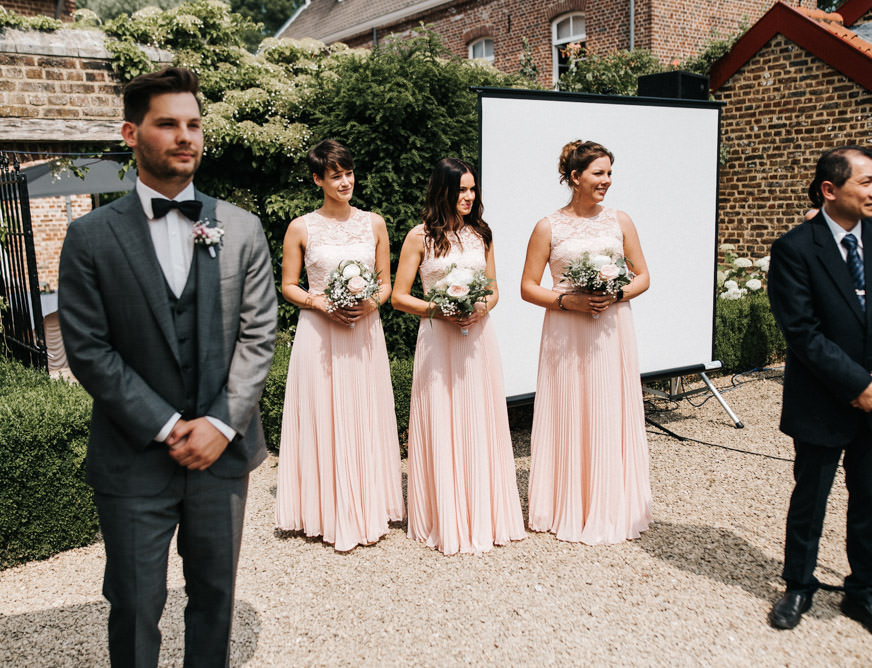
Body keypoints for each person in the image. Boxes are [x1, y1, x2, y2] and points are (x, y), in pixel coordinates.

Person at [58, 67, 277, 666]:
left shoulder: (242, 228)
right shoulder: (90, 237)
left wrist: (222, 423)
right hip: (133, 457)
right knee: (132, 603)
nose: (186, 136)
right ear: (131, 133)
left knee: (215, 596)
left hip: (223, 458)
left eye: (193, 124)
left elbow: (259, 334)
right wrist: (163, 424)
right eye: (167, 124)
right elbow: (89, 348)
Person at [766, 145, 872, 641]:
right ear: (830, 190)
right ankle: (798, 585)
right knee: (811, 497)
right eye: (866, 182)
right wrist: (856, 384)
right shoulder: (795, 247)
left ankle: (864, 592)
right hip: (822, 399)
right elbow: (803, 332)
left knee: (871, 498)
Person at [391, 157, 525, 555]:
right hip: (438, 341)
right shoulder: (419, 237)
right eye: (460, 189)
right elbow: (399, 297)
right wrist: (438, 310)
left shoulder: (481, 234)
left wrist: (484, 305)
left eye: (472, 189)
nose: (468, 197)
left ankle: (484, 511)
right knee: (442, 416)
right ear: (442, 190)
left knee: (479, 418)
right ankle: (444, 513)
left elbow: (495, 289)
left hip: (478, 339)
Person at [520, 140, 652, 545]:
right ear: (575, 178)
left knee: (610, 406)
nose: (607, 181)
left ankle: (612, 502)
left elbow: (643, 275)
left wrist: (617, 294)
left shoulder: (621, 220)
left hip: (611, 329)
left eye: (610, 173)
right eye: (599, 173)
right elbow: (527, 287)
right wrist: (567, 300)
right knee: (570, 407)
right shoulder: (548, 226)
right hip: (566, 330)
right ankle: (567, 503)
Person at [274, 140, 404, 550]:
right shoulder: (301, 227)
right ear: (318, 180)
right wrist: (319, 302)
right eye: (336, 176)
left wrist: (369, 304)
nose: (345, 181)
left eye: (348, 173)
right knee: (323, 411)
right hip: (319, 332)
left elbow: (386, 284)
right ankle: (324, 508)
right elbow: (288, 285)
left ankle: (368, 502)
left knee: (364, 409)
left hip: (365, 330)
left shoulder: (375, 223)